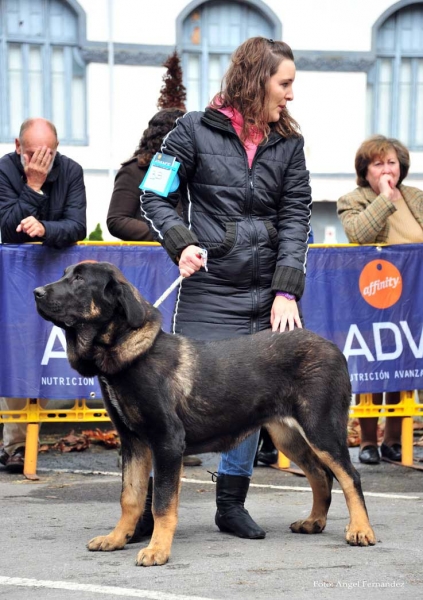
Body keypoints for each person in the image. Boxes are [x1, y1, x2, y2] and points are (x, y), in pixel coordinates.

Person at [141, 37, 312, 539]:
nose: (291, 95)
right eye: (285, 84)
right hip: (209, 290)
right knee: (168, 407)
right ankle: (149, 514)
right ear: (256, 79)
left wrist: (286, 291)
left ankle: (230, 505)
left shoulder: (290, 143)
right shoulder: (192, 129)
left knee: (250, 399)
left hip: (266, 296)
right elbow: (154, 193)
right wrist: (181, 242)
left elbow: (297, 218)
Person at [106, 106, 202, 472]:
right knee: (142, 364)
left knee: (176, 361)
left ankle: (174, 434)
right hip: (146, 274)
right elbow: (117, 220)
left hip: (182, 272)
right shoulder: (137, 171)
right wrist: (168, 237)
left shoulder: (188, 173)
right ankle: (135, 440)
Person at [0, 117, 87, 472]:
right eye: (33, 154)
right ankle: (16, 444)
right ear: (18, 147)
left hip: (57, 277)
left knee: (49, 356)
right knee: (18, 354)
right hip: (16, 279)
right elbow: (6, 226)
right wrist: (33, 188)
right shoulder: (5, 170)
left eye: (48, 155)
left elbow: (77, 224)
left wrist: (45, 228)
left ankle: (31, 436)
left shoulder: (71, 170)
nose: (41, 162)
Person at [337, 134, 423, 464]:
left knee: (406, 366)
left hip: (413, 297)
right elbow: (359, 234)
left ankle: (396, 440)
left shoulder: (416, 197)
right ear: (365, 170)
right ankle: (369, 441)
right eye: (378, 163)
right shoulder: (353, 199)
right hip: (373, 296)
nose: (387, 169)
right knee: (374, 367)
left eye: (392, 162)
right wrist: (385, 197)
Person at [107, 107, 185, 241]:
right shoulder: (135, 170)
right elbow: (117, 221)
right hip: (149, 257)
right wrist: (170, 235)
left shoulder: (193, 170)